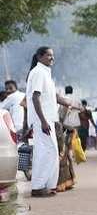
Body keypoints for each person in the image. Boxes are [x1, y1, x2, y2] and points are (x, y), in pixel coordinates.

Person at [25, 47, 74, 197]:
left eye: (53, 56)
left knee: (51, 152)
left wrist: (71, 103)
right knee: (46, 152)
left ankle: (47, 185)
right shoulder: (39, 73)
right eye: (49, 55)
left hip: (48, 120)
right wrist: (43, 121)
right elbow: (35, 97)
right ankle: (38, 187)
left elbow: (54, 96)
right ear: (40, 57)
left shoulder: (45, 73)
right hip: (43, 121)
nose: (52, 58)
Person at [56, 86, 79, 192]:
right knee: (67, 154)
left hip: (63, 129)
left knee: (63, 155)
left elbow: (61, 118)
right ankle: (70, 180)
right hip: (71, 128)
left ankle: (63, 182)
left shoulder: (63, 101)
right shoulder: (75, 99)